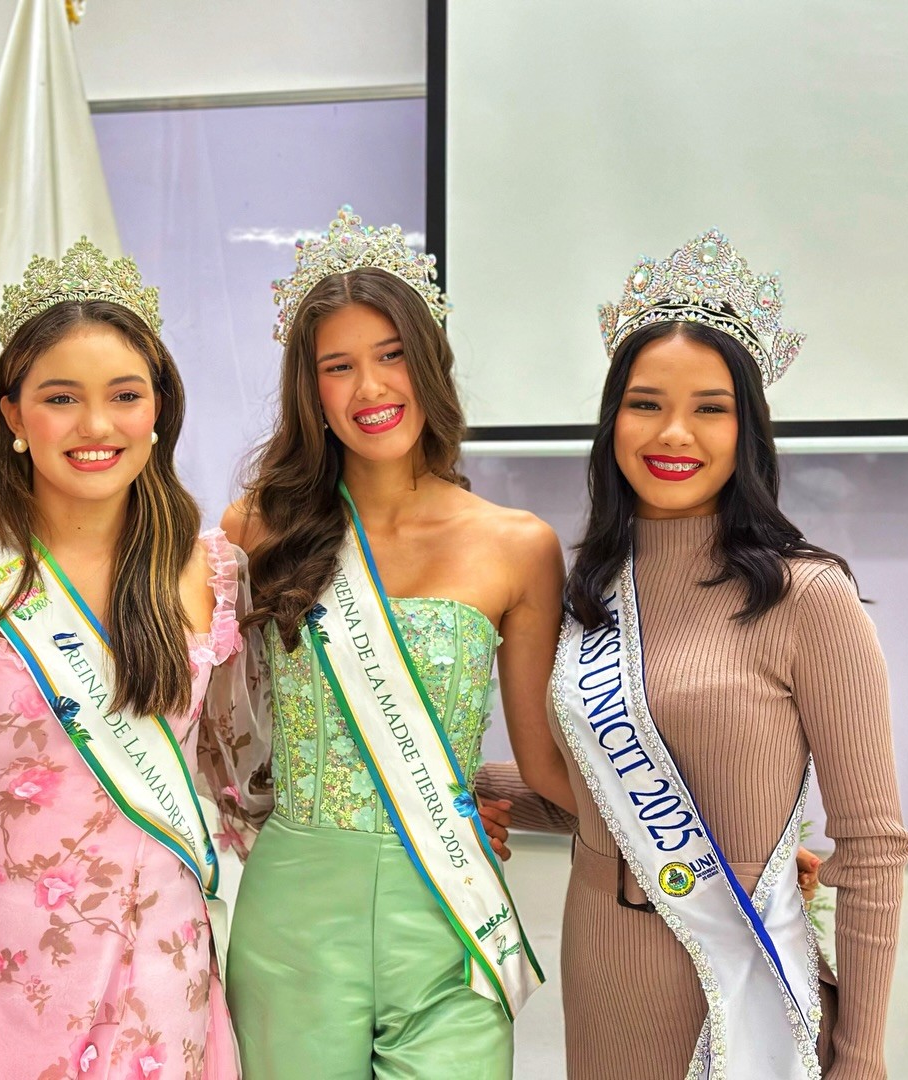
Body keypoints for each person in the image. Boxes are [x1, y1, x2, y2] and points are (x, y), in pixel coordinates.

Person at [544, 228, 908, 1079]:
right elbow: (598, 789)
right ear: (613, 421)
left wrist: (860, 1057)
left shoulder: (806, 595)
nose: (674, 432)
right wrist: (480, 794)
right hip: (601, 969)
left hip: (746, 982)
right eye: (645, 403)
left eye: (710, 406)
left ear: (747, 426)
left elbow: (873, 845)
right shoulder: (592, 587)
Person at [213, 208, 572, 1079]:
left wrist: (715, 838)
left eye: (391, 355)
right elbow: (217, 726)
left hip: (446, 916)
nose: (370, 388)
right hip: (294, 913)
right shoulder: (257, 529)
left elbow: (550, 766)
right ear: (313, 392)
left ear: (430, 363)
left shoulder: (518, 545)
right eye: (339, 366)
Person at [0, 239, 248, 1079]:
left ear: (158, 410)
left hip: (158, 959)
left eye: (124, 396)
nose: (96, 426)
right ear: (12, 417)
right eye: (60, 398)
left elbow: (246, 769)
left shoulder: (208, 568)